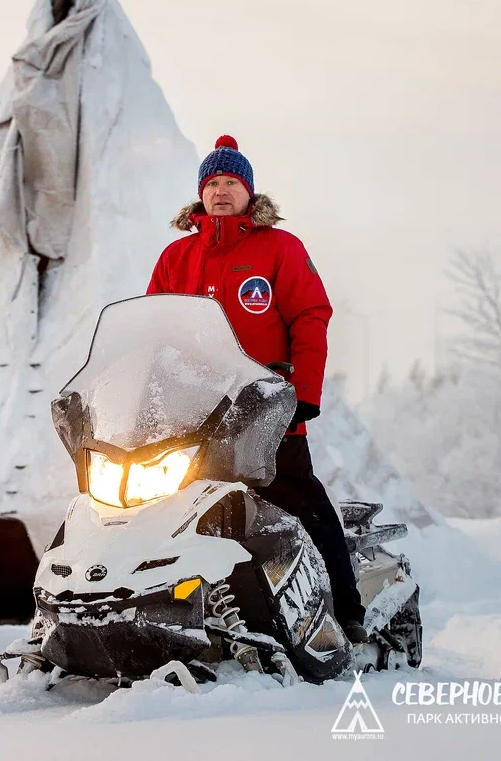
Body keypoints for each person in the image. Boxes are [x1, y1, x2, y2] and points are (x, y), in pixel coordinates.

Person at [146, 134, 367, 643]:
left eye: (232, 182)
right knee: (162, 511)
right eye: (213, 183)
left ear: (249, 192)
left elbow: (311, 316)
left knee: (301, 502)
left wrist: (302, 393)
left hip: (269, 411)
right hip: (192, 417)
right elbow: (154, 331)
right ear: (200, 193)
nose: (221, 191)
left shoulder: (280, 248)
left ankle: (346, 608)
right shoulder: (175, 258)